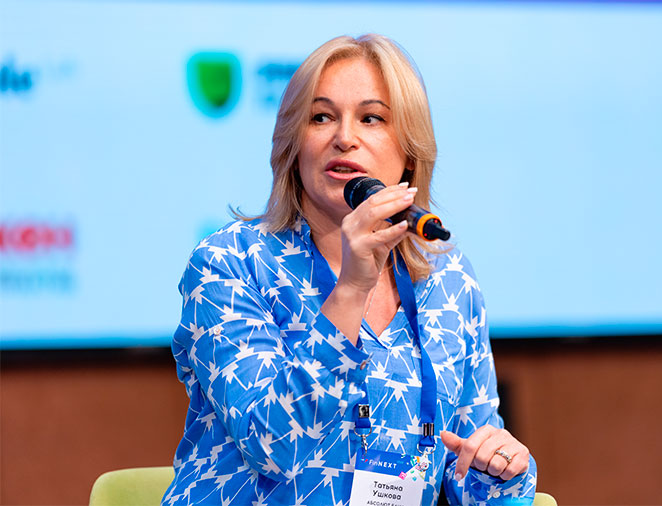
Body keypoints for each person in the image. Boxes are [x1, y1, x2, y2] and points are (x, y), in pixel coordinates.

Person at [163, 34, 537, 506]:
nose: (344, 137)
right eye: (321, 117)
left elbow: (467, 467)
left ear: (410, 153)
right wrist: (352, 288)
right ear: (293, 145)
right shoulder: (230, 263)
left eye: (371, 118)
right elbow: (273, 446)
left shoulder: (447, 280)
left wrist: (501, 470)